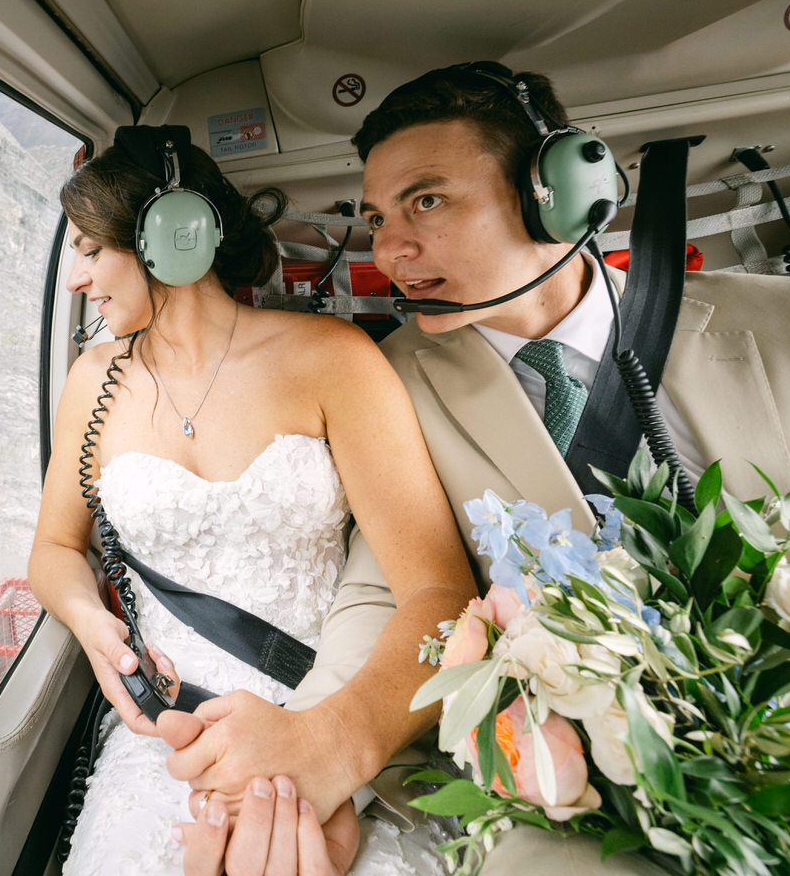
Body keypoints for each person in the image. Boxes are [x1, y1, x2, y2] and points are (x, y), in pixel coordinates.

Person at [178, 62, 790, 874]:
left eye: (427, 200)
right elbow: (383, 592)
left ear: (557, 194)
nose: (389, 248)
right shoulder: (390, 383)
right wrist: (323, 757)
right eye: (377, 216)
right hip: (581, 787)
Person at [27, 125, 476, 875]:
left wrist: (335, 743)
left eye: (90, 248)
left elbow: (439, 592)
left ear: (171, 234)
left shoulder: (334, 362)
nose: (75, 279)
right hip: (168, 744)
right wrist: (89, 621)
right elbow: (53, 549)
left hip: (333, 709)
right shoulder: (90, 381)